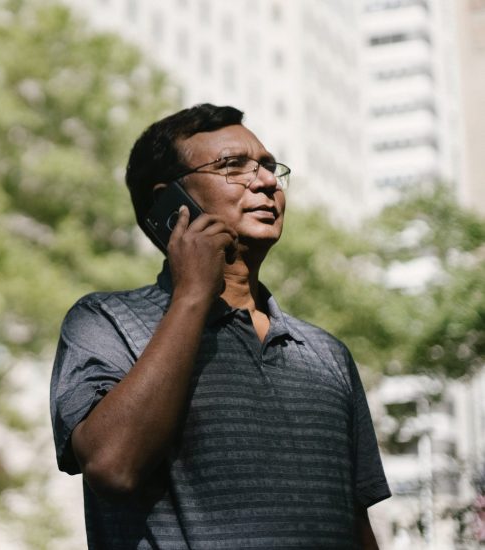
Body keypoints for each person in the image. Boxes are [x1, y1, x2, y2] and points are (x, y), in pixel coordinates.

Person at [49, 104, 390, 549]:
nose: (267, 181)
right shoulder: (102, 321)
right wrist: (193, 294)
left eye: (269, 167)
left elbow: (356, 526)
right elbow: (113, 468)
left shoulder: (327, 355)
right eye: (233, 166)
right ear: (168, 203)